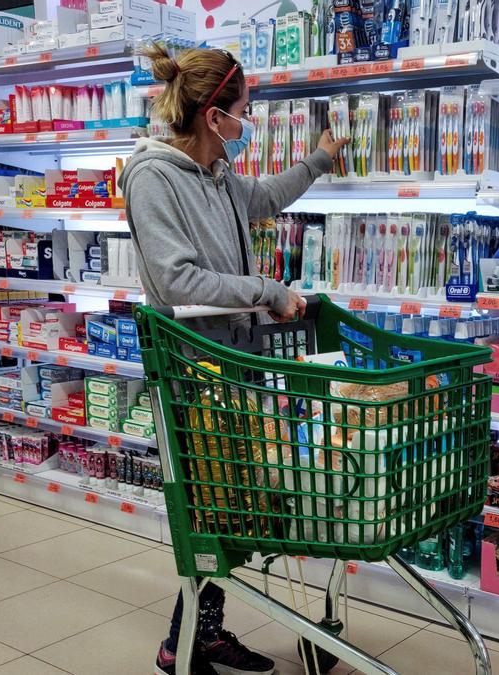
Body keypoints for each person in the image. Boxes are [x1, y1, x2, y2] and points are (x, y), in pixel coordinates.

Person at [118, 43, 347, 675]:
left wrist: (319, 162)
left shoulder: (216, 174)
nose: (249, 124)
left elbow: (266, 197)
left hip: (233, 366)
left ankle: (195, 633)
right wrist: (268, 291)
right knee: (218, 513)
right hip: (193, 372)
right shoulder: (153, 177)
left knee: (231, 508)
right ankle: (186, 638)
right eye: (244, 111)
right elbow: (178, 281)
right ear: (214, 114)